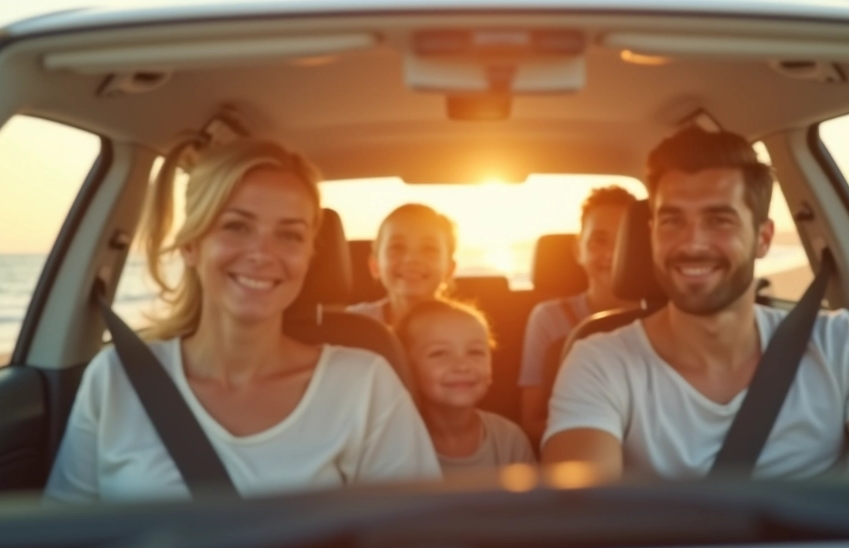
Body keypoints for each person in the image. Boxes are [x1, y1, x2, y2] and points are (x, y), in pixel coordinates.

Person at [541, 127, 849, 480]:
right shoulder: (599, 362)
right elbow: (579, 519)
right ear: (651, 234)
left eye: (719, 220)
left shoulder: (841, 347)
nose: (693, 243)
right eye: (673, 221)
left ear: (763, 238)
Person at [45, 139, 441, 503]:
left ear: (308, 257)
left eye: (289, 235)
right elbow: (61, 541)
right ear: (191, 246)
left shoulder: (364, 386)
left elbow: (419, 547)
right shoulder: (115, 380)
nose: (262, 254)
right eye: (237, 227)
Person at [518, 186, 637, 446]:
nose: (611, 254)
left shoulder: (671, 317)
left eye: (624, 241)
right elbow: (532, 421)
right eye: (599, 240)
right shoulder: (549, 318)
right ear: (578, 250)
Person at [396, 298, 535, 479]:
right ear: (406, 367)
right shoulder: (395, 443)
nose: (462, 366)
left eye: (475, 352)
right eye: (439, 353)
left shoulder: (509, 438)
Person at [347, 204, 457, 325]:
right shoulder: (354, 323)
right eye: (397, 247)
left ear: (450, 269)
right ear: (375, 266)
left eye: (429, 249)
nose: (412, 259)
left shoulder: (463, 328)